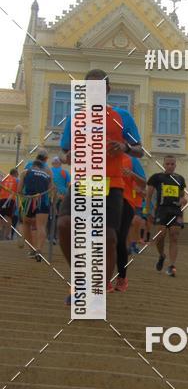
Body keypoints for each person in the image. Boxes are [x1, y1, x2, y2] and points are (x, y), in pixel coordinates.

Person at [57, 69, 143, 296]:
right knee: (65, 224)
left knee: (109, 237)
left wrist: (124, 147)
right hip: (84, 180)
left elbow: (139, 150)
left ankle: (98, 289)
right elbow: (66, 149)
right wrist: (69, 156)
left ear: (108, 90)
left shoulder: (122, 116)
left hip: (111, 182)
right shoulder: (76, 118)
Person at [146, 155, 187, 277]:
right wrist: (146, 211)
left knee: (174, 236)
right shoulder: (156, 177)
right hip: (161, 211)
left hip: (175, 211)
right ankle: (161, 255)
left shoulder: (180, 179)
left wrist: (183, 201)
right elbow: (148, 196)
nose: (170, 166)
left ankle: (172, 266)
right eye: (167, 164)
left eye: (172, 164)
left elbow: (182, 196)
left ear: (175, 165)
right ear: (163, 165)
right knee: (160, 237)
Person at [115, 153, 146, 291]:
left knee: (120, 240)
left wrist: (132, 174)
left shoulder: (131, 160)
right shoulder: (99, 156)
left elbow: (143, 183)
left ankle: (122, 277)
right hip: (104, 200)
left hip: (126, 202)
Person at [18, 151, 54, 261]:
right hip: (43, 200)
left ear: (33, 165)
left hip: (28, 200)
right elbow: (51, 189)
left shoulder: (25, 172)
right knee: (41, 226)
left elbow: (19, 190)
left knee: (27, 223)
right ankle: (39, 250)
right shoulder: (47, 173)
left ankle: (32, 250)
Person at [49, 156, 70, 244]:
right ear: (60, 163)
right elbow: (69, 184)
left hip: (51, 197)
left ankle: (52, 236)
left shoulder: (49, 171)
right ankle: (57, 237)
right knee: (60, 217)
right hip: (62, 197)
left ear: (53, 163)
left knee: (51, 217)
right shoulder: (64, 172)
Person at [0, 168, 19, 240]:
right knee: (9, 217)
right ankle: (7, 235)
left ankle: (1, 232)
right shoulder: (16, 180)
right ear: (15, 174)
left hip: (2, 198)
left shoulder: (4, 178)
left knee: (1, 216)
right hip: (11, 199)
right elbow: (18, 190)